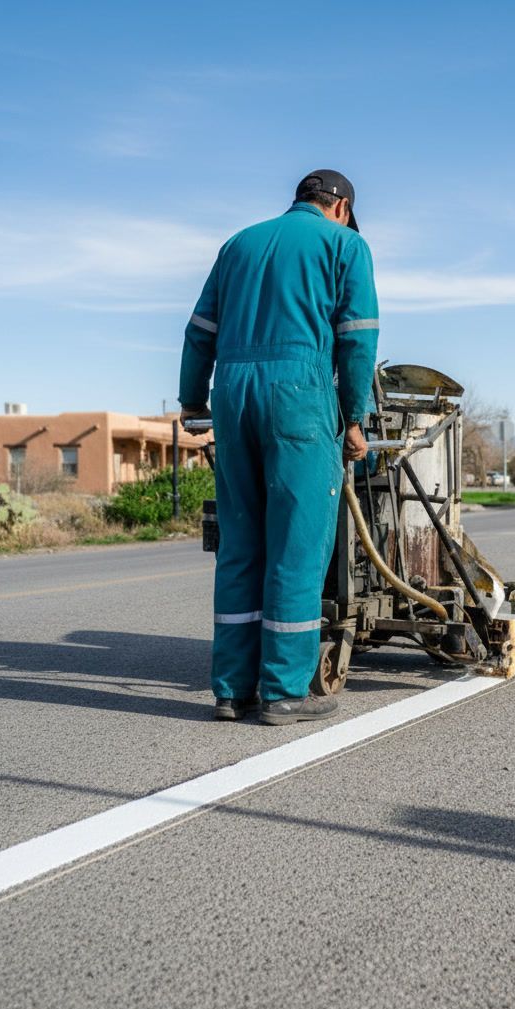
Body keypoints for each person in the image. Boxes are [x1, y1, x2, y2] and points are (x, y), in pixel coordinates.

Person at [178, 170, 379, 725]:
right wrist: (355, 417)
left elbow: (200, 331)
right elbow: (358, 336)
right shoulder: (346, 245)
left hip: (233, 395)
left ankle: (231, 690)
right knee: (297, 543)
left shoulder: (238, 243)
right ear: (339, 207)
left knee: (241, 541)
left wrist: (194, 401)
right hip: (300, 393)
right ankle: (285, 691)